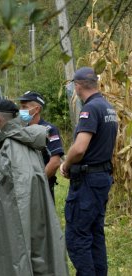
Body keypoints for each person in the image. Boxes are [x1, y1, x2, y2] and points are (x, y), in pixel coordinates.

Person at [0, 99, 68, 276]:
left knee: (20, 252)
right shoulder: (27, 140)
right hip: (37, 210)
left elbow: (15, 200)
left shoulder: (10, 147)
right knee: (39, 252)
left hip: (20, 214)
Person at [60, 67, 118, 276]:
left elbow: (80, 147)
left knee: (78, 236)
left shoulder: (90, 109)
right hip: (102, 178)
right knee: (95, 234)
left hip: (87, 181)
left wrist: (66, 165)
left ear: (77, 86)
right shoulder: (108, 107)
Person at [18, 91, 64, 203]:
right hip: (23, 187)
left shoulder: (49, 130)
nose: (21, 110)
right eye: (20, 106)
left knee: (44, 220)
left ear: (37, 109)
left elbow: (55, 162)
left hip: (42, 187)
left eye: (25, 107)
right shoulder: (22, 130)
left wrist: (38, 183)